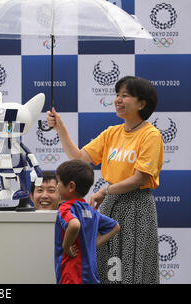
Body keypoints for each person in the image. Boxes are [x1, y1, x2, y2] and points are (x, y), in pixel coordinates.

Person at [47, 75, 164, 284]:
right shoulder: (112, 132)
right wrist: (60, 129)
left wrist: (104, 191)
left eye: (125, 95)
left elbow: (139, 178)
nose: (118, 100)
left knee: (132, 266)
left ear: (142, 103)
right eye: (117, 95)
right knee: (108, 266)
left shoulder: (151, 135)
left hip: (137, 206)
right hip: (111, 204)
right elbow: (80, 158)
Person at [55, 159, 120, 284]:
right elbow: (115, 226)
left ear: (71, 186)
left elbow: (74, 225)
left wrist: (66, 246)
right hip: (91, 276)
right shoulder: (92, 211)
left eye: (58, 182)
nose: (56, 186)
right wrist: (92, 244)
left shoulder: (66, 207)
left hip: (71, 274)